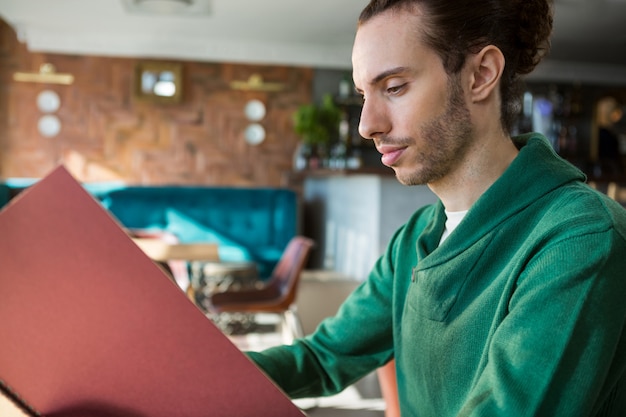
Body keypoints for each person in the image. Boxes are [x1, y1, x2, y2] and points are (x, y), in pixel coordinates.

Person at [247, 0, 626, 415]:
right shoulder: (414, 239)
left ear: (480, 75)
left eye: (393, 87)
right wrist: (188, 371)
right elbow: (321, 359)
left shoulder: (581, 239)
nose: (366, 124)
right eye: (363, 94)